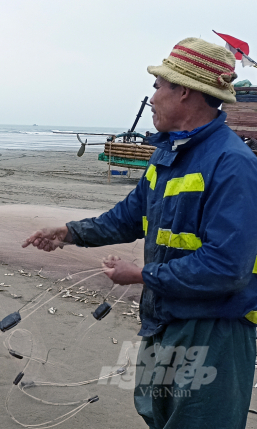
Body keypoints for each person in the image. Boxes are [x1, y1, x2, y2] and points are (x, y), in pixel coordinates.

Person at [22, 38, 257, 429]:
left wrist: (141, 275)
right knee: (157, 415)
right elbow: (127, 218)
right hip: (163, 320)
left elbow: (227, 267)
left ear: (183, 92)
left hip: (215, 330)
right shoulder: (169, 155)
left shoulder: (234, 165)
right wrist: (68, 232)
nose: (151, 98)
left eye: (158, 86)